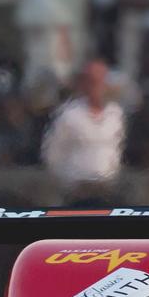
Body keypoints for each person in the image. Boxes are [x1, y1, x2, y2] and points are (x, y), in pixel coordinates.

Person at [40, 58, 125, 201]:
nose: (97, 86)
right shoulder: (68, 115)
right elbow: (52, 154)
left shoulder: (116, 114)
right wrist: (67, 183)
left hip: (108, 190)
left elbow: (117, 148)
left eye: (101, 81)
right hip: (76, 191)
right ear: (84, 84)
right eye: (92, 82)